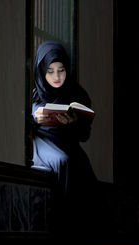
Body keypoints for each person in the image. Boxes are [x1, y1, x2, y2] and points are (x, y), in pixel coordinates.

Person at [31, 40, 98, 204]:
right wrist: (35, 120)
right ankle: (62, 219)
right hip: (41, 141)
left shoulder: (77, 93)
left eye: (61, 70)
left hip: (67, 142)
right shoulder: (33, 94)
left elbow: (85, 135)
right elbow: (19, 124)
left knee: (82, 165)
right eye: (50, 71)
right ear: (41, 71)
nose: (56, 77)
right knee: (62, 160)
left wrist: (73, 123)